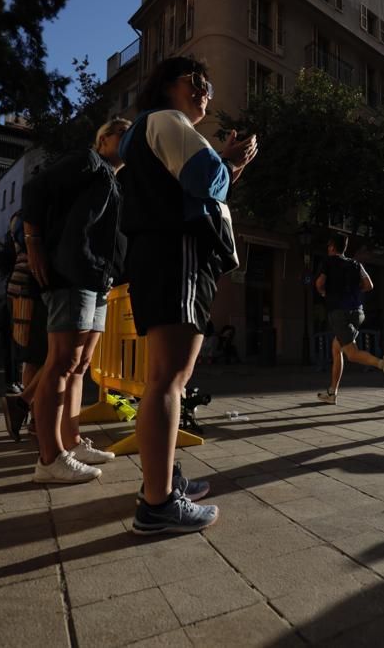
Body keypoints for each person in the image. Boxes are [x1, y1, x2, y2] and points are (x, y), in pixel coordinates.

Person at [118, 56, 257, 534]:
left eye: (208, 85)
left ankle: (163, 481)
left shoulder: (142, 131)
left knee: (163, 380)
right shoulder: (168, 120)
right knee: (169, 381)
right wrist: (230, 161)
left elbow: (194, 188)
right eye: (196, 82)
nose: (205, 92)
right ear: (167, 85)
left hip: (157, 253)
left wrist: (224, 166)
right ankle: (158, 504)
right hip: (176, 253)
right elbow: (205, 180)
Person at [21, 118, 131, 483]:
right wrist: (33, 242)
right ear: (104, 139)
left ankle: (72, 440)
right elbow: (36, 188)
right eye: (123, 134)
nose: (130, 141)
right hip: (72, 271)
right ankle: (50, 457)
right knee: (62, 361)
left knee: (81, 364)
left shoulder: (114, 179)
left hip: (97, 277)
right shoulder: (88, 161)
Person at [314, 233, 384, 404]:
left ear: (333, 247)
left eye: (329, 246)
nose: (328, 248)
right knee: (336, 348)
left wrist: (325, 293)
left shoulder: (328, 262)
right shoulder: (356, 264)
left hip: (339, 313)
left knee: (352, 353)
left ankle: (382, 364)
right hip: (358, 313)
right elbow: (369, 285)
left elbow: (319, 284)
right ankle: (332, 392)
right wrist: (353, 293)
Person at [1, 211, 49, 442]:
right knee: (51, 355)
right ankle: (32, 413)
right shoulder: (32, 215)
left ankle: (35, 418)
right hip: (35, 286)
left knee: (33, 357)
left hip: (19, 285)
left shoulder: (17, 216)